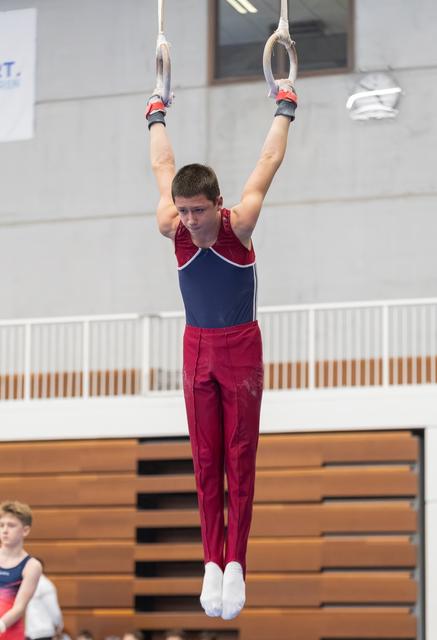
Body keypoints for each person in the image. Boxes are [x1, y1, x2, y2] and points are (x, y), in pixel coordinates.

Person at [147, 78, 297, 621]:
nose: (188, 221)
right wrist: (155, 113)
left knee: (240, 456)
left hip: (239, 346)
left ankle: (237, 562)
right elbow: (163, 167)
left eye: (197, 211)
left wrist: (285, 106)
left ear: (218, 202)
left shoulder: (243, 221)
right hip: (195, 346)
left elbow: (268, 159)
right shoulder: (174, 225)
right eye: (182, 212)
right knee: (206, 459)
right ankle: (211, 561)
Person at [0, 501, 42, 640]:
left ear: (25, 530)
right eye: (1, 525)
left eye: (11, 525)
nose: (5, 530)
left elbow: (19, 607)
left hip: (10, 632)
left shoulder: (31, 566)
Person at [25, 559, 63, 640]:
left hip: (43, 633)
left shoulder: (45, 585)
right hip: (30, 633)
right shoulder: (28, 583)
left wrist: (58, 625)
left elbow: (54, 610)